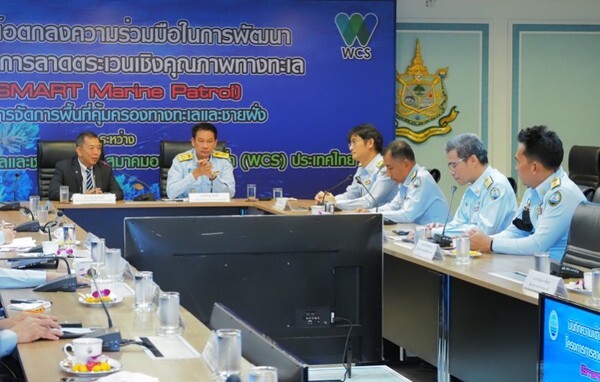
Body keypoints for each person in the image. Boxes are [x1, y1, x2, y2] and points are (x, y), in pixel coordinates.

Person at [469, 125, 586, 260]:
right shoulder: (533, 189)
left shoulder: (562, 194)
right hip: (534, 264)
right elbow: (517, 230)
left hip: (559, 272)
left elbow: (538, 244)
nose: (516, 167)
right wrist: (482, 240)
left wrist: (490, 244)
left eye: (518, 162)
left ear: (534, 167)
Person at [430, 133, 517, 238]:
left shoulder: (497, 186)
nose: (452, 172)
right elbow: (459, 223)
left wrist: (438, 232)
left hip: (496, 253)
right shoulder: (472, 188)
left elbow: (484, 231)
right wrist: (440, 228)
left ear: (473, 160)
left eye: (454, 165)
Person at [359, 140, 448, 224]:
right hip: (422, 233)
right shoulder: (406, 182)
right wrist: (370, 212)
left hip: (438, 235)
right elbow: (393, 206)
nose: (388, 174)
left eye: (390, 168)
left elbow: (407, 215)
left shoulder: (421, 179)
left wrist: (375, 215)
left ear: (405, 164)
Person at [314, 123, 396, 210]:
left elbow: (369, 202)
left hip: (390, 222)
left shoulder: (386, 167)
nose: (351, 148)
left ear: (370, 143)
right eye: (350, 143)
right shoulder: (361, 168)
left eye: (354, 142)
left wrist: (335, 202)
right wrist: (328, 199)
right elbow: (351, 195)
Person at [48, 131, 124, 201]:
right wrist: (83, 197)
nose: (96, 152)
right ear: (79, 151)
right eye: (91, 148)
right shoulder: (64, 167)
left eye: (98, 148)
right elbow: (53, 192)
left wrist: (102, 197)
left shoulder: (105, 168)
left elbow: (119, 193)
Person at [166, 122, 235, 199]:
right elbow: (171, 193)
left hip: (214, 208)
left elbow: (231, 193)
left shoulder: (224, 161)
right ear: (193, 141)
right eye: (201, 141)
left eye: (209, 141)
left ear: (215, 143)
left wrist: (213, 178)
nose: (205, 146)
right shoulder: (180, 161)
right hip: (186, 209)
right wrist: (195, 174)